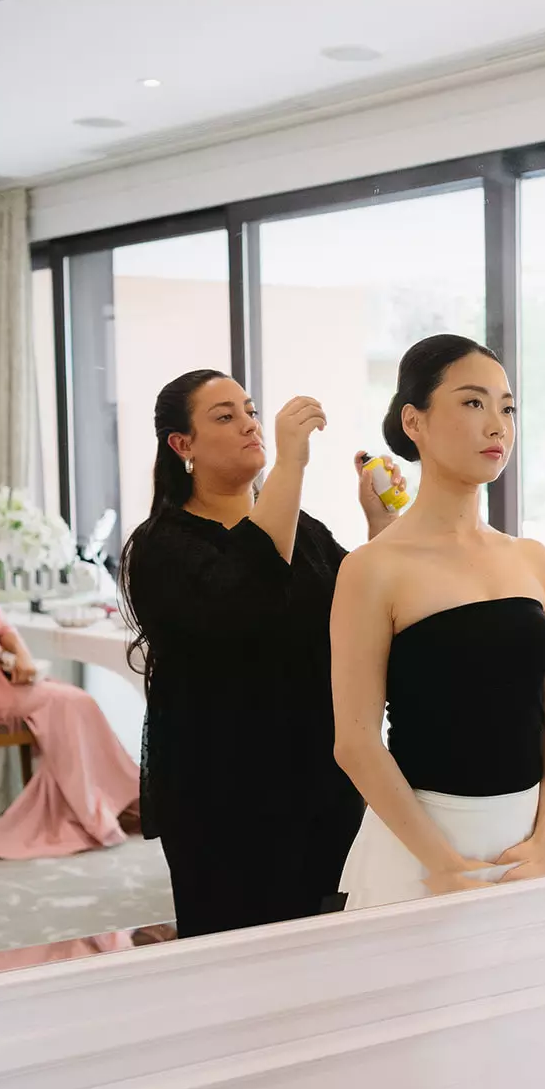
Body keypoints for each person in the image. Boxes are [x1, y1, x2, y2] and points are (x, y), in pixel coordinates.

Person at [120, 369, 403, 938]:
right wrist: (292, 465)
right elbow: (248, 593)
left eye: (249, 411)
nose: (250, 423)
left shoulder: (304, 530)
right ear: (183, 446)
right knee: (244, 964)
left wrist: (381, 523)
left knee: (329, 952)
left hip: (322, 779)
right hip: (224, 798)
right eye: (225, 416)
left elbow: (366, 612)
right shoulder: (161, 546)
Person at [331, 335, 545, 908]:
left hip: (526, 846)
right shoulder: (373, 568)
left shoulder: (532, 558)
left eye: (507, 407)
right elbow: (356, 742)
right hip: (420, 844)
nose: (498, 426)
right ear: (414, 421)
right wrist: (440, 862)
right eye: (473, 403)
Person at [0, 527, 140, 859]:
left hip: (1, 680)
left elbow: (3, 626)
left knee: (75, 701)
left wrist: (19, 654)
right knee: (70, 704)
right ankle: (88, 807)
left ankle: (109, 799)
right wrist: (5, 654)